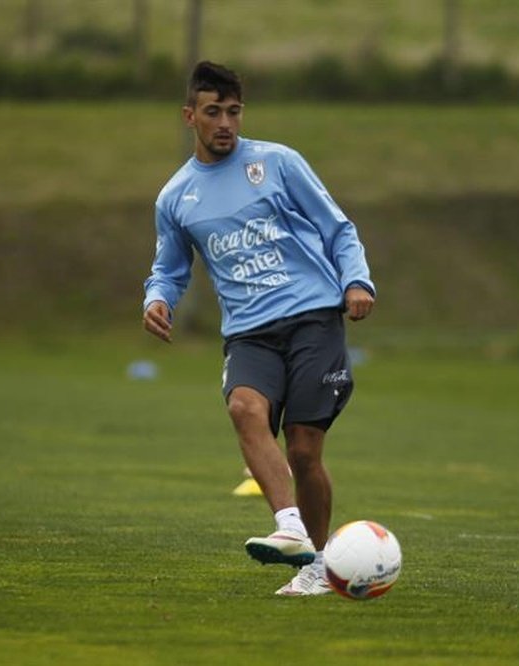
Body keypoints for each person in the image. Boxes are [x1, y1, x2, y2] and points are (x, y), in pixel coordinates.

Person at [143, 61, 376, 596]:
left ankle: (319, 567)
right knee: (244, 408)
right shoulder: (175, 197)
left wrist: (356, 280)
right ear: (189, 116)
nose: (225, 123)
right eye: (213, 112)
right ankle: (291, 528)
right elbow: (169, 268)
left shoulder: (278, 163)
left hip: (313, 318)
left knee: (303, 450)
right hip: (249, 332)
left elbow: (337, 227)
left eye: (234, 111)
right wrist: (157, 299)